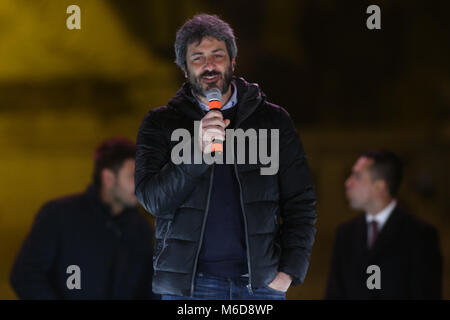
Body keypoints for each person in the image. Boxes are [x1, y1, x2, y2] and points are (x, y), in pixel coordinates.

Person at [134, 14, 317, 300]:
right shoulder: (160, 123)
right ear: (185, 69)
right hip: (190, 290)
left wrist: (287, 273)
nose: (209, 65)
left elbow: (300, 202)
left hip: (260, 287)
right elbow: (152, 199)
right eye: (197, 58)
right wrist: (197, 153)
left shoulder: (273, 120)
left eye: (217, 55)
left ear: (233, 61)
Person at [10, 137, 158, 300]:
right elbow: (25, 276)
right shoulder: (59, 215)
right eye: (132, 176)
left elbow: (148, 290)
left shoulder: (142, 230)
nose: (140, 184)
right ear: (108, 178)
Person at [325, 150, 442, 299]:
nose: (348, 183)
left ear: (379, 187)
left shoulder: (420, 235)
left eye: (357, 176)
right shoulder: (345, 234)